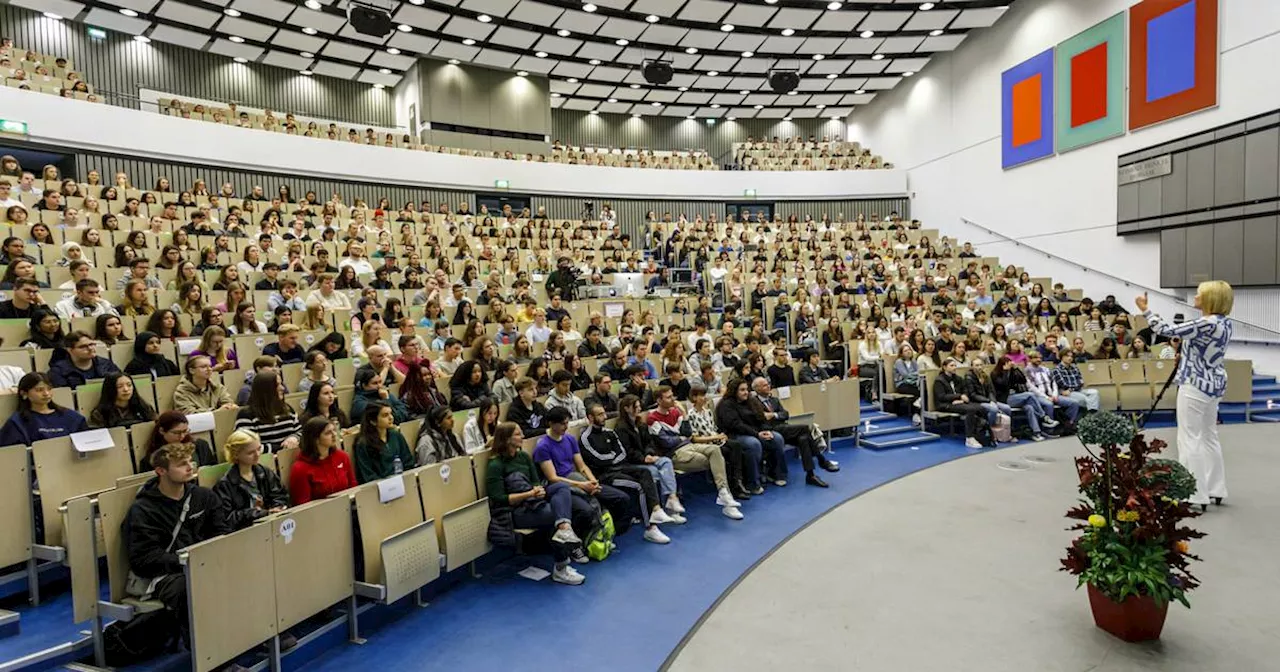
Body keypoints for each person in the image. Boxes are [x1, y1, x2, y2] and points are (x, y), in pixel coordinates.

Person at [122, 443, 240, 670]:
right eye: (181, 464)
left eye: (190, 462)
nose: (190, 467)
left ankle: (258, 635)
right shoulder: (143, 510)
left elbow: (221, 532)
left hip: (206, 563)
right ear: (161, 471)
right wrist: (187, 560)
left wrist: (207, 557)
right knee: (193, 590)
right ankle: (215, 661)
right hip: (165, 575)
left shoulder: (203, 497)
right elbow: (143, 559)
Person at [1137, 284, 1233, 511]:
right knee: (1209, 436)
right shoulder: (1225, 323)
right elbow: (1199, 345)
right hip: (1214, 384)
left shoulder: (1204, 323)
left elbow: (1166, 329)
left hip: (1195, 385)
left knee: (1190, 438)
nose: (1196, 296)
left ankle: (1193, 492)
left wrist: (1145, 310)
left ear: (1210, 298)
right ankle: (1215, 488)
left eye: (1200, 293)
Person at [484, 422, 588, 585]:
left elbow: (535, 481)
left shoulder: (524, 457)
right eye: (518, 434)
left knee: (561, 487)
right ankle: (561, 569)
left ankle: (564, 527)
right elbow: (499, 498)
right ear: (506, 439)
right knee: (555, 515)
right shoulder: (496, 465)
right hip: (514, 511)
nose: (523, 437)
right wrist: (530, 493)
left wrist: (537, 490)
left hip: (533, 501)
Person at [533, 407, 635, 548]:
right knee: (586, 510)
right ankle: (578, 546)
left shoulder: (569, 439)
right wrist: (582, 485)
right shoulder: (543, 447)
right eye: (562, 424)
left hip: (578, 479)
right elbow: (553, 478)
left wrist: (592, 481)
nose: (566, 427)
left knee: (621, 498)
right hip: (562, 487)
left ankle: (604, 535)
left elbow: (582, 466)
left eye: (567, 423)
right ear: (551, 423)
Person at [580, 401, 681, 543]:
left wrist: (611, 458)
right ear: (590, 418)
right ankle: (650, 528)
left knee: (646, 473)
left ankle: (657, 509)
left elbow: (622, 453)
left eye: (604, 413)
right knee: (638, 487)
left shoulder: (610, 432)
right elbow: (597, 460)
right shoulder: (585, 437)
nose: (604, 417)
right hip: (605, 475)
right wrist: (612, 457)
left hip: (620, 467)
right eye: (600, 414)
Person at [748, 377, 838, 487]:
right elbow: (760, 420)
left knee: (803, 439)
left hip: (783, 429)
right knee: (804, 428)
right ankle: (822, 460)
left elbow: (785, 414)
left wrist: (773, 415)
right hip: (770, 431)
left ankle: (810, 475)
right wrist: (776, 417)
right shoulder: (753, 402)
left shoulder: (774, 400)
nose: (768, 386)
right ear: (757, 389)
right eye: (764, 385)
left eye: (768, 384)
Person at [715, 378, 785, 496]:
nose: (746, 392)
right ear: (734, 391)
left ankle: (776, 474)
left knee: (776, 438)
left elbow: (760, 419)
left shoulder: (751, 401)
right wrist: (757, 434)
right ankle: (752, 483)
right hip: (734, 435)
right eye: (742, 390)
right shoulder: (726, 405)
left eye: (747, 389)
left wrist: (766, 431)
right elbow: (736, 425)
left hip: (755, 432)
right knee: (753, 444)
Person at [213, 429, 288, 530]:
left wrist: (277, 508)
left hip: (272, 523)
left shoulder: (265, 472)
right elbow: (228, 518)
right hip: (246, 530)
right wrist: (258, 513)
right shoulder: (225, 485)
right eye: (250, 453)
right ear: (236, 454)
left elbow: (280, 495)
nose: (257, 454)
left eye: (259, 449)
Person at [0, 372, 90, 446]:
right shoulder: (17, 422)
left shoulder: (71, 417)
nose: (46, 393)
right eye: (39, 390)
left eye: (49, 389)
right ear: (24, 394)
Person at [288, 417, 357, 506]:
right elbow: (303, 505)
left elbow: (353, 486)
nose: (334, 435)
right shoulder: (300, 469)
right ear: (315, 439)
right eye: (328, 433)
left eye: (334, 430)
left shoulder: (342, 456)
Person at [991, 355, 1056, 442]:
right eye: (1007, 363)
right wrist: (1006, 372)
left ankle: (1036, 433)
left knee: (1030, 407)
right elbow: (1003, 385)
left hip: (1017, 397)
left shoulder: (1012, 372)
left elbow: (1023, 380)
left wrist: (1016, 369)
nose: (1010, 365)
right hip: (1004, 399)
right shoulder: (995, 374)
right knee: (1030, 395)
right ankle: (1043, 417)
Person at [233, 371, 301, 452]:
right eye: (277, 385)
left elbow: (301, 431)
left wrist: (295, 438)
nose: (282, 388)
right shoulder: (246, 415)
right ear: (265, 389)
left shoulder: (287, 409)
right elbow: (245, 446)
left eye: (281, 384)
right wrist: (280, 448)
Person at [353, 401, 416, 483]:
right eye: (385, 415)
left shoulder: (396, 435)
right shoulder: (363, 444)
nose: (391, 418)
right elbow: (368, 474)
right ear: (373, 421)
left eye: (391, 413)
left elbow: (408, 462)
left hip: (403, 481)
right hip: (379, 487)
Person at [933, 357, 988, 449]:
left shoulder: (958, 378)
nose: (954, 367)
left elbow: (965, 390)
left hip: (959, 402)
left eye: (955, 365)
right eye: (951, 366)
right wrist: (958, 397)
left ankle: (982, 433)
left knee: (980, 407)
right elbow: (941, 396)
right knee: (970, 409)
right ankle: (969, 438)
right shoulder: (939, 380)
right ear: (944, 367)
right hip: (945, 404)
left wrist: (962, 398)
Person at [1025, 351, 1082, 431]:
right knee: (1049, 404)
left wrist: (1054, 394)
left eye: (1040, 358)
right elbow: (1031, 388)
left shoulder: (1046, 369)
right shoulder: (1028, 370)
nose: (1039, 359)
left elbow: (1054, 383)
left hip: (1052, 395)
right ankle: (1049, 430)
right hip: (1039, 396)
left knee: (1074, 403)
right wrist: (1046, 397)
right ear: (1030, 359)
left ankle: (1068, 424)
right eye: (1036, 358)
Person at [49, 331, 121, 388]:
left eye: (91, 344)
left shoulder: (106, 364)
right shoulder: (58, 371)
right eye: (83, 346)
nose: (90, 348)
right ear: (70, 350)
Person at [89, 372, 158, 428]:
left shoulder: (143, 407)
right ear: (110, 389)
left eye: (129, 385)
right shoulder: (99, 413)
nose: (126, 389)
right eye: (120, 386)